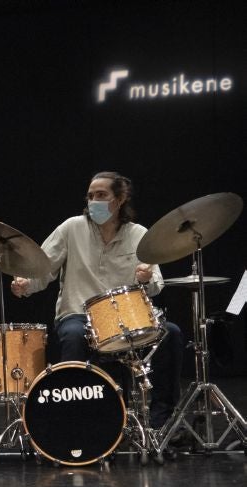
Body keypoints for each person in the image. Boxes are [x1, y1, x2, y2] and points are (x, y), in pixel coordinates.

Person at [10, 172, 183, 429]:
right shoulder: (71, 228)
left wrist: (146, 278)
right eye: (90, 196)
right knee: (73, 335)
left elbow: (155, 286)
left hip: (126, 317)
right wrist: (25, 284)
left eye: (101, 195)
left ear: (120, 198)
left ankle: (162, 420)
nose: (94, 201)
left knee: (171, 333)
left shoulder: (139, 235)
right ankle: (79, 419)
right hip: (78, 314)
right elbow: (42, 269)